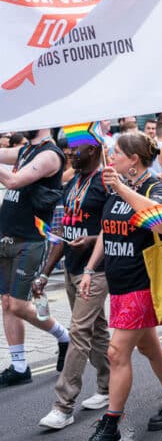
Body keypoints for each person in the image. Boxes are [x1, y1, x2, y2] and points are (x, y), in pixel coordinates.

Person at [83, 133, 162, 441]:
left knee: (116, 352)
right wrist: (89, 268)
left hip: (143, 284)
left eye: (117, 155)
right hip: (119, 284)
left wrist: (122, 189)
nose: (111, 159)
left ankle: (111, 423)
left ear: (134, 159)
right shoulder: (115, 188)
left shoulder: (156, 187)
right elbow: (105, 232)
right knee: (148, 346)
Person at [37, 139, 111, 430]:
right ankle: (107, 387)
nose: (68, 155)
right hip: (72, 268)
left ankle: (63, 406)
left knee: (79, 331)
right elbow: (61, 231)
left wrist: (92, 241)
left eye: (74, 150)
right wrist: (45, 273)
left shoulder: (105, 183)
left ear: (92, 150)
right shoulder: (73, 183)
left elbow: (115, 229)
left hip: (96, 270)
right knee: (97, 329)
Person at [0, 128, 70, 388]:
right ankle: (19, 366)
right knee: (6, 303)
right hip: (6, 236)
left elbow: (14, 182)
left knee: (18, 304)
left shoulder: (50, 155)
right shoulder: (25, 150)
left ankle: (64, 337)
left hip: (30, 240)